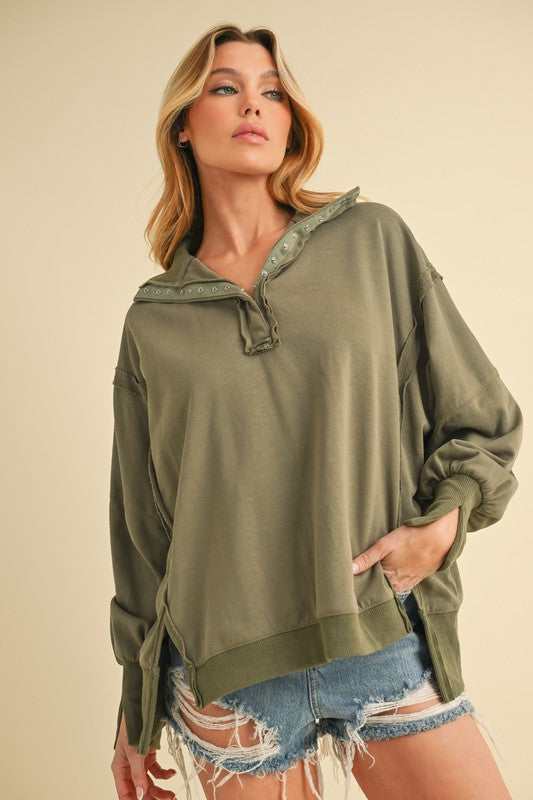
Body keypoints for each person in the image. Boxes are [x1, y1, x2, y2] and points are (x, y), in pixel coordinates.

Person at [108, 22, 523, 800]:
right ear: (183, 125)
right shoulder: (153, 319)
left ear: (291, 121)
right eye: (225, 87)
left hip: (375, 635)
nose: (253, 105)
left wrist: (442, 524)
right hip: (226, 679)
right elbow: (142, 532)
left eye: (272, 92)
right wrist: (136, 704)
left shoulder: (372, 242)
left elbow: (481, 415)